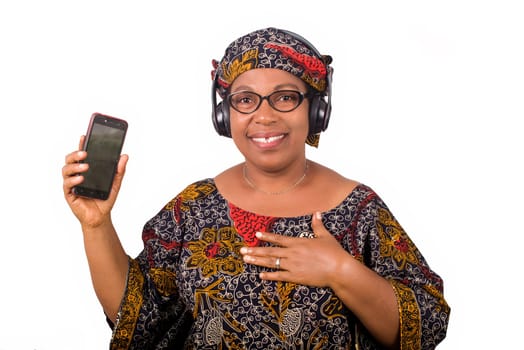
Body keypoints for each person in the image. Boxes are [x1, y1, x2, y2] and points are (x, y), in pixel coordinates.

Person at [62, 27, 450, 349]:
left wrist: (340, 270)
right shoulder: (194, 206)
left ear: (316, 110)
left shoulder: (358, 208)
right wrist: (96, 226)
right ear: (223, 114)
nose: (264, 115)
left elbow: (423, 327)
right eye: (245, 100)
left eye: (285, 97)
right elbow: (139, 317)